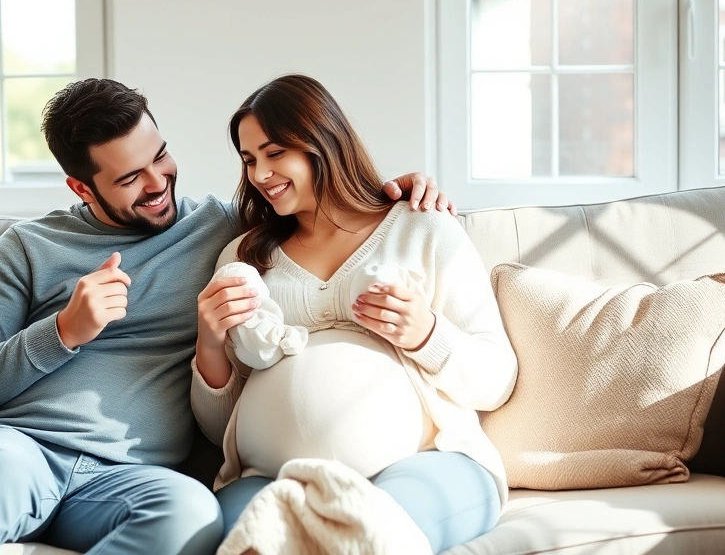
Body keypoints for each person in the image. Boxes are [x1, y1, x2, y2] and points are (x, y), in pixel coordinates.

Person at [0, 77, 452, 555]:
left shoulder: (226, 232)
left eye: (159, 156)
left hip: (132, 480)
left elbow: (315, 205)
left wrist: (396, 195)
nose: (158, 182)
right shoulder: (27, 246)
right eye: (128, 178)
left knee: (194, 515)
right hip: (20, 450)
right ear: (79, 186)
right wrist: (63, 332)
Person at [192, 74, 518, 553]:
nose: (260, 174)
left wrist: (426, 333)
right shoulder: (243, 259)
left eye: (275, 152)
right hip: (269, 480)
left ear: (322, 141)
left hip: (429, 462)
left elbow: (498, 381)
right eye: (249, 159)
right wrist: (210, 341)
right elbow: (219, 429)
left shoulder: (423, 229)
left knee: (376, 536)